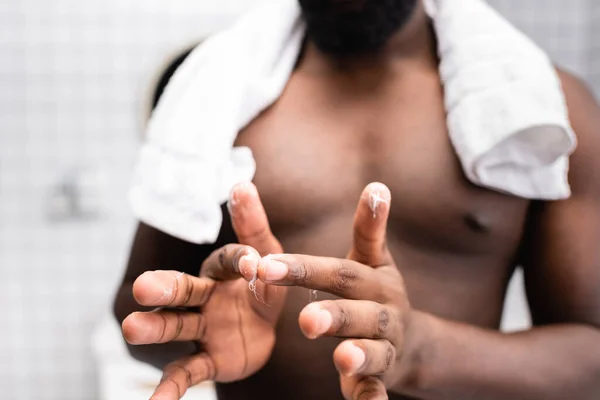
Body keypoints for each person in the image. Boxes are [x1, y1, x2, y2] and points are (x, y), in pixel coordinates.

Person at [113, 1, 600, 399]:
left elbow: (591, 360)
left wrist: (421, 352)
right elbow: (133, 322)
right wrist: (201, 328)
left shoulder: (541, 113)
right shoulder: (213, 101)